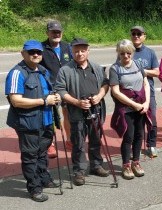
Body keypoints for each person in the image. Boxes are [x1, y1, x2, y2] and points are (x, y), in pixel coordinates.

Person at [5, 40, 61, 202]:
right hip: (27, 122)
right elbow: (16, 101)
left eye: (38, 52)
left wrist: (54, 97)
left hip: (46, 120)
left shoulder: (43, 71)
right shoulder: (17, 73)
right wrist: (44, 101)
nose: (35, 55)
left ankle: (44, 178)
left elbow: (49, 93)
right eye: (31, 52)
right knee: (30, 155)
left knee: (42, 153)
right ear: (23, 54)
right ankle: (34, 188)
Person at [54, 38, 110, 186]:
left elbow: (105, 84)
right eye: (76, 51)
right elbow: (60, 90)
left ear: (88, 51)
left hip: (96, 110)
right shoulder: (65, 70)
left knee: (95, 139)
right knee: (78, 143)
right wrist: (77, 102)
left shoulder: (97, 68)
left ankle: (96, 165)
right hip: (76, 113)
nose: (79, 53)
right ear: (72, 51)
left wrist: (99, 96)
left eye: (82, 50)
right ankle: (79, 171)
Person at [109, 39, 150, 179]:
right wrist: (134, 105)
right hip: (126, 109)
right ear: (118, 54)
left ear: (132, 52)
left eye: (128, 53)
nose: (125, 56)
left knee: (140, 135)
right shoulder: (114, 69)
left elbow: (146, 84)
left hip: (141, 107)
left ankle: (136, 162)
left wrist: (147, 103)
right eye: (122, 54)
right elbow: (116, 92)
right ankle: (126, 165)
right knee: (129, 137)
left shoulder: (138, 64)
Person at [40, 20, 73, 158]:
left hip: (66, 86)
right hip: (49, 86)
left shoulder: (67, 46)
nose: (56, 34)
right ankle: (50, 144)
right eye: (53, 32)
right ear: (47, 32)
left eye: (58, 32)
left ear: (62, 33)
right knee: (50, 115)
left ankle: (70, 140)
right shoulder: (41, 47)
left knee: (68, 113)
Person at [130, 26, 160, 157]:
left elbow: (157, 72)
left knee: (152, 120)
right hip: (131, 94)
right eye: (134, 34)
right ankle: (134, 147)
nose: (136, 36)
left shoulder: (150, 52)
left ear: (144, 36)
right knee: (135, 123)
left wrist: (142, 71)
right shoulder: (127, 51)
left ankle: (151, 145)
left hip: (148, 92)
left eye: (139, 34)